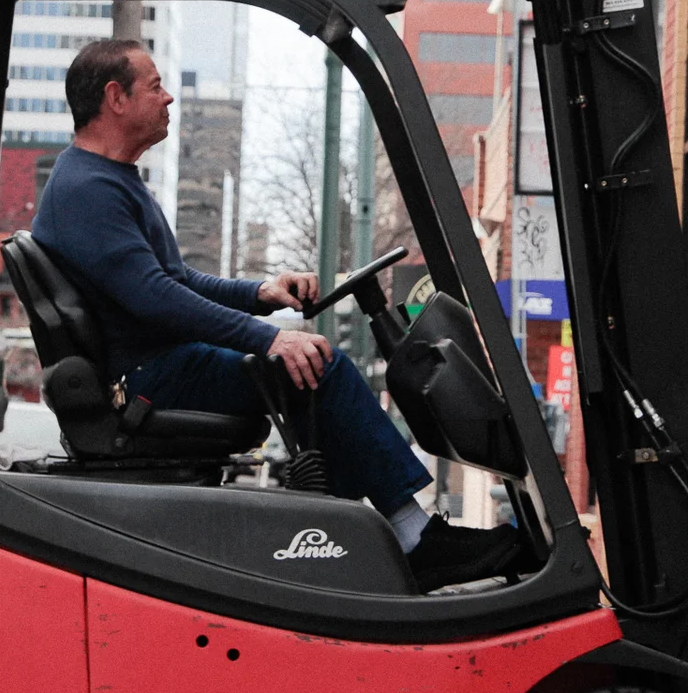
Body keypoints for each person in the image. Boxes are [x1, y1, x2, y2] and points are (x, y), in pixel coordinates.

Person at [31, 38, 523, 590]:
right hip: (149, 378)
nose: (168, 98)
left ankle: (371, 540)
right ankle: (414, 540)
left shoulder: (109, 179)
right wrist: (268, 340)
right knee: (316, 363)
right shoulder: (87, 189)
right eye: (155, 86)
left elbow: (174, 282)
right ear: (116, 98)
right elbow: (155, 297)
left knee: (304, 358)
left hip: (157, 364)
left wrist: (262, 293)